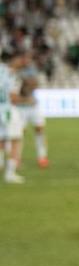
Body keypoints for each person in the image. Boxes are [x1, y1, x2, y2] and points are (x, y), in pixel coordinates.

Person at [10, 50, 48, 170]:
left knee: (39, 129)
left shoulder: (31, 69)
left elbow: (34, 84)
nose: (27, 61)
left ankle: (42, 157)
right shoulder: (12, 71)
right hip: (21, 107)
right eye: (24, 58)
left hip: (33, 105)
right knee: (19, 133)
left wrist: (27, 82)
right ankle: (17, 158)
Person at [0, 52, 21, 184]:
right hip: (6, 109)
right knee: (15, 140)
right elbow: (13, 96)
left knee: (1, 140)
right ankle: (10, 173)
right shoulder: (7, 72)